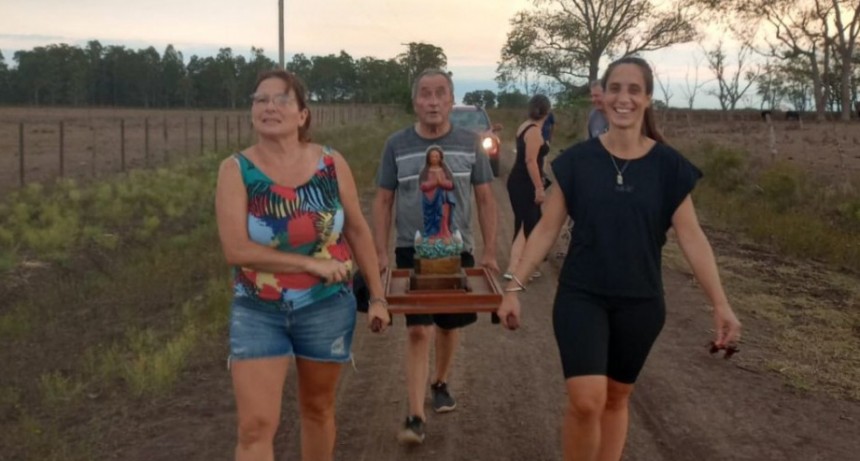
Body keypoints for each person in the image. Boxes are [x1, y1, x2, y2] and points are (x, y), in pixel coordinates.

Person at [496, 57, 742, 461]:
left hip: (641, 300)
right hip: (582, 295)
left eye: (633, 90)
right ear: (603, 97)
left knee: (616, 396)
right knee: (586, 399)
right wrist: (513, 287)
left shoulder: (668, 166)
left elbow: (692, 237)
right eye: (615, 88)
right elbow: (545, 230)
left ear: (646, 99)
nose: (622, 98)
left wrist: (721, 304)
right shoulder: (577, 162)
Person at [215, 69, 390, 461]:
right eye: (260, 99)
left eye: (281, 99)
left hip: (327, 306)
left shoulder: (331, 163)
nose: (269, 107)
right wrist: (311, 265)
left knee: (318, 409)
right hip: (258, 308)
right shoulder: (236, 171)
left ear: (302, 115)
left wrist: (377, 297)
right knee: (254, 427)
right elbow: (236, 249)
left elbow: (358, 231)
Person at [372, 68, 499, 445]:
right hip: (412, 249)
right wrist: (381, 253)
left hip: (456, 246)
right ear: (415, 101)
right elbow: (383, 199)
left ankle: (440, 381)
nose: (431, 101)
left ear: (450, 99)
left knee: (448, 324)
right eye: (424, 94)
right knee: (417, 328)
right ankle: (414, 414)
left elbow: (485, 197)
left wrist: (490, 252)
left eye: (439, 93)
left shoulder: (469, 143)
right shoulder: (397, 145)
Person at [504, 94, 552, 280]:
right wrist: (539, 188)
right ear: (547, 111)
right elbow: (530, 161)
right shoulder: (533, 131)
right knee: (528, 222)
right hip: (525, 183)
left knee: (528, 221)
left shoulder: (525, 126)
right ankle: (514, 267)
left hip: (519, 181)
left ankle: (524, 265)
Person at [419, 145, 456, 239]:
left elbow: (451, 184)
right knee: (431, 218)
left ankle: (444, 234)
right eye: (432, 156)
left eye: (436, 156)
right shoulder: (425, 171)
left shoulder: (444, 170)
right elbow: (423, 186)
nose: (434, 158)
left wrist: (442, 183)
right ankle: (432, 235)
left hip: (443, 199)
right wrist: (434, 183)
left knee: (443, 216)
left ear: (440, 158)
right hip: (430, 199)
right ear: (428, 158)